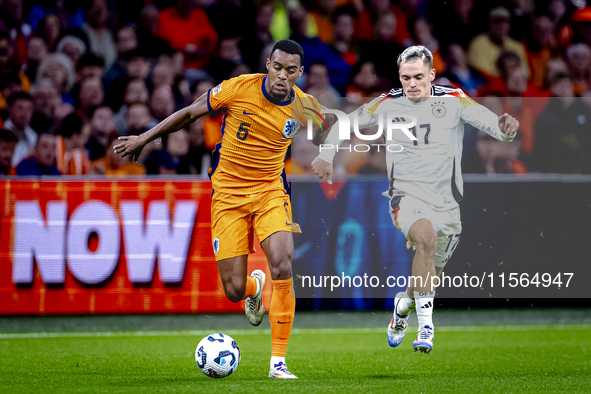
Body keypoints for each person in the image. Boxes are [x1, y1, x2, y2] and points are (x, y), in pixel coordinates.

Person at [113, 40, 334, 379]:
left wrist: (327, 155)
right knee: (233, 291)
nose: (282, 75)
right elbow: (189, 113)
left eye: (291, 70)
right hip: (228, 195)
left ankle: (278, 363)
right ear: (268, 63)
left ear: (299, 73)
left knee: (282, 262)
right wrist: (146, 137)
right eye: (277, 67)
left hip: (270, 191)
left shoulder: (304, 105)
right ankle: (253, 289)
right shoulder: (239, 88)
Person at [311, 45, 518, 354]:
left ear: (432, 75)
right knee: (426, 240)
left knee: (429, 269)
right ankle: (426, 328)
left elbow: (493, 125)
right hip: (405, 197)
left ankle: (403, 305)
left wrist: (506, 130)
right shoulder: (387, 103)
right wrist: (326, 155)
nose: (411, 84)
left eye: (418, 77)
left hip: (447, 203)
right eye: (406, 77)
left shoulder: (454, 100)